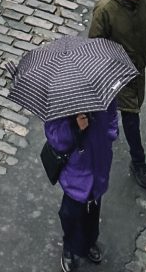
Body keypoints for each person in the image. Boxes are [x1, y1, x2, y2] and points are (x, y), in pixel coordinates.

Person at [88, 0, 146, 191]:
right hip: (118, 72)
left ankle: (108, 127)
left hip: (138, 66)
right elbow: (95, 44)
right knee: (131, 114)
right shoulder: (104, 9)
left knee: (126, 106)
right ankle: (138, 163)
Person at [45, 103, 117, 270]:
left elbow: (112, 113)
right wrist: (74, 127)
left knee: (94, 209)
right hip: (76, 170)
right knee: (70, 213)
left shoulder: (101, 94)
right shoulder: (59, 103)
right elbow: (55, 137)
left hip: (99, 162)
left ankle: (89, 241)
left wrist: (111, 134)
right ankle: (70, 247)